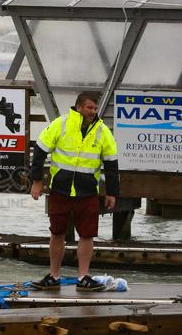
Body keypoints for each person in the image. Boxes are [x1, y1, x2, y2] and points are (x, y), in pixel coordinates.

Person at [29, 92, 119, 290]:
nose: (93, 112)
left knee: (87, 235)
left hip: (87, 192)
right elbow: (40, 151)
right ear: (78, 107)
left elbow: (111, 164)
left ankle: (83, 277)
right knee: (57, 232)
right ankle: (54, 276)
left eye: (95, 108)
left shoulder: (102, 130)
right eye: (89, 108)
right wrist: (36, 181)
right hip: (60, 189)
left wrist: (112, 193)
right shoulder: (60, 124)